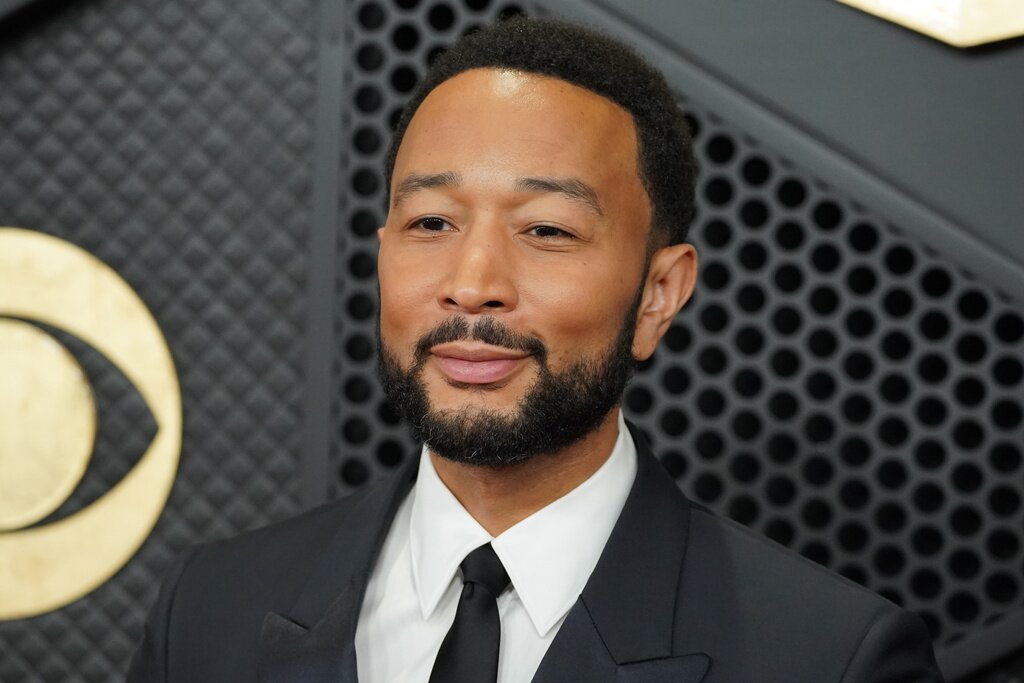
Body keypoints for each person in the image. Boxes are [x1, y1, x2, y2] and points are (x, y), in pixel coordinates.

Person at [128, 17, 944, 683]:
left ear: (659, 294)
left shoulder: (829, 657)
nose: (472, 283)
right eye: (432, 224)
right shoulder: (209, 611)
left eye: (546, 230)